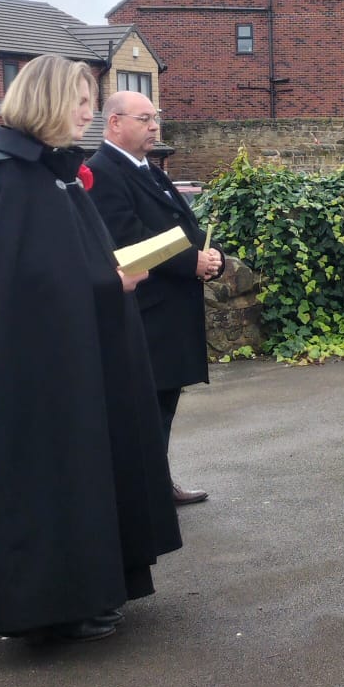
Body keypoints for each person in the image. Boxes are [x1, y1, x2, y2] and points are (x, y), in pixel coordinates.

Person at [0, 55, 181, 643]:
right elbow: (20, 285)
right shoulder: (10, 177)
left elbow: (64, 259)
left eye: (91, 103)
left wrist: (104, 274)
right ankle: (53, 605)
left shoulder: (50, 172)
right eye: (79, 102)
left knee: (82, 470)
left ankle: (92, 590)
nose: (89, 115)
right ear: (45, 101)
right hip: (34, 370)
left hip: (71, 354)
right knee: (50, 477)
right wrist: (106, 280)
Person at [86, 92, 222, 505]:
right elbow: (128, 241)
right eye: (144, 119)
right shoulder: (102, 172)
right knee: (143, 410)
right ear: (114, 123)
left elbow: (177, 223)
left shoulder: (146, 167)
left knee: (161, 406)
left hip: (169, 311)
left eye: (156, 118)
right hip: (144, 313)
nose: (154, 126)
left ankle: (156, 484)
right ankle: (142, 494)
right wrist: (189, 262)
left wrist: (208, 252)